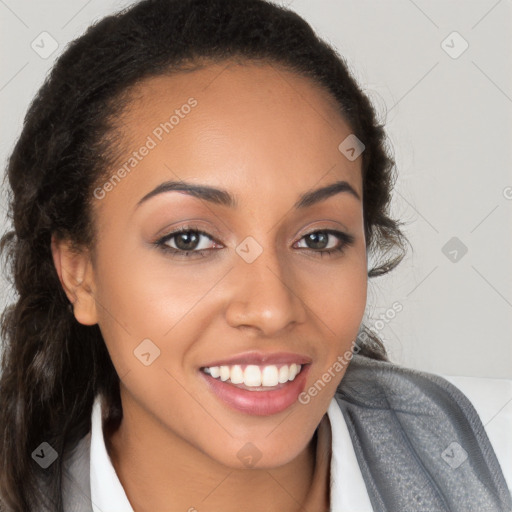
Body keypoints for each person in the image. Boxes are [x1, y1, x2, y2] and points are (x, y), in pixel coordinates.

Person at [0, 0, 510, 511]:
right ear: (78, 273)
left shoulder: (495, 452)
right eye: (189, 239)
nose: (271, 308)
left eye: (318, 238)